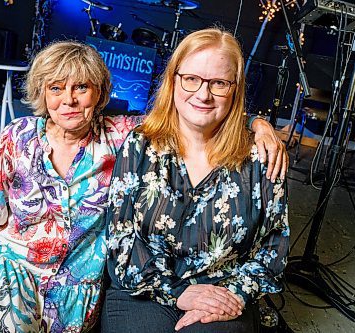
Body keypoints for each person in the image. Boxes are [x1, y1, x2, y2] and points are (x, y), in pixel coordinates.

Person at [0, 39, 286, 333]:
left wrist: (257, 123)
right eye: (56, 88)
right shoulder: (17, 136)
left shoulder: (121, 137)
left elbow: (193, 112)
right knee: (0, 315)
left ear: (99, 94)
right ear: (42, 92)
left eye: (81, 87)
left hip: (72, 291)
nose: (68, 99)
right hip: (10, 267)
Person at [102, 28, 290, 333]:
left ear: (235, 89)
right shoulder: (140, 145)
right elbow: (120, 239)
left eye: (218, 83)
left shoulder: (262, 157)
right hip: (142, 289)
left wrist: (235, 295)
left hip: (222, 294)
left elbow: (273, 249)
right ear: (174, 80)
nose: (203, 94)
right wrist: (177, 291)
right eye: (191, 79)